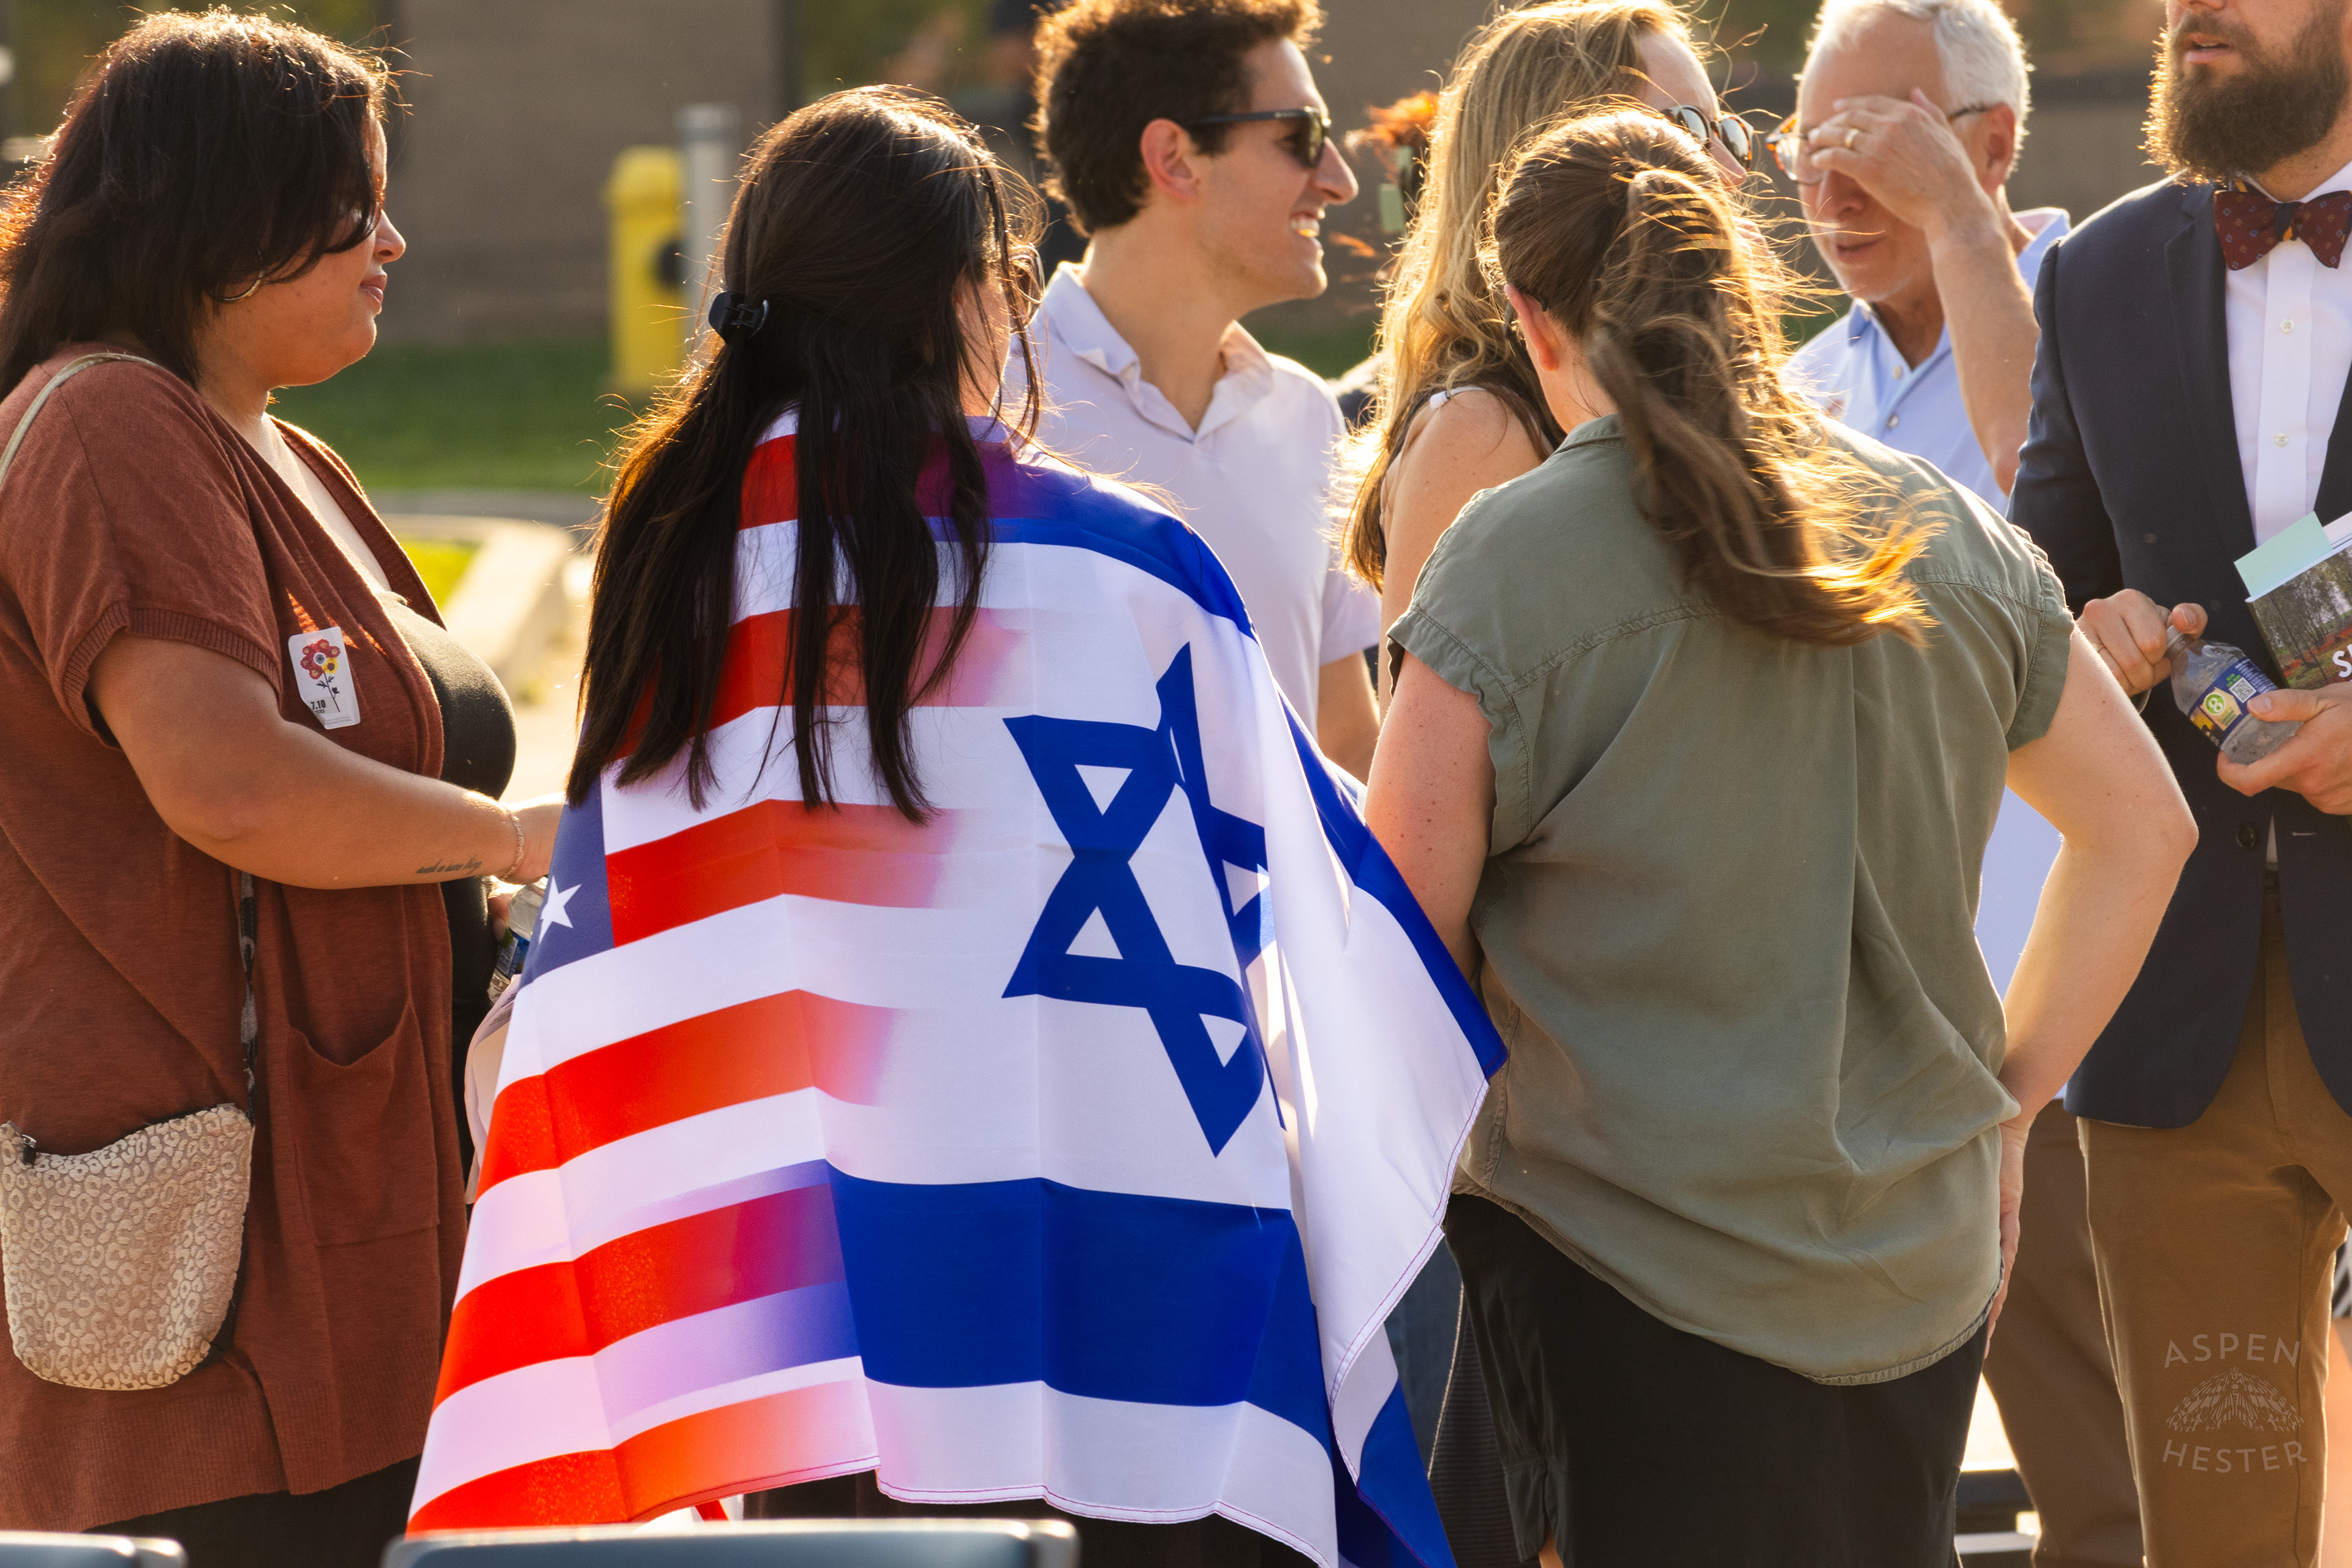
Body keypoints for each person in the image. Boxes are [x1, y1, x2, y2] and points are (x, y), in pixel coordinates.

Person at [412, 86, 1498, 1568]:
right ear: (951, 299)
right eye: (1002, 277)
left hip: (812, 1313)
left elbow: (646, 949)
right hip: (1131, 1266)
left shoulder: (680, 565)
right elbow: (1311, 899)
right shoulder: (1126, 569)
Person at [1365, 107, 2196, 1565]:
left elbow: (1397, 947)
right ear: (1737, 288)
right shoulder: (1942, 524)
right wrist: (2002, 1107)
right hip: (1911, 1260)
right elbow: (2142, 830)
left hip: (1607, 1250)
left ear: (1526, 315)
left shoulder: (1508, 552)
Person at [0, 12, 559, 1566]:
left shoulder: (288, 453)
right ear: (226, 211)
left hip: (356, 1233)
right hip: (219, 1295)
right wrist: (522, 837)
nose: (393, 237)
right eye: (352, 202)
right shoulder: (110, 420)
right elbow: (231, 786)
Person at [1771, 4, 2138, 1563]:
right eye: (1808, 147)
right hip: (1873, 1047)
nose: (1833, 185)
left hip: (2093, 1020)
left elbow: (2054, 534)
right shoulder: (1796, 384)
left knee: (2141, 1488)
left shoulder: (2121, 306)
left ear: (1988, 142)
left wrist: (1966, 239)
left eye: (1880, 140)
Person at [2010, 0, 2352, 1553]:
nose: (2184, 13)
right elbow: (2026, 603)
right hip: (2174, 1024)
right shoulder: (2089, 275)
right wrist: (2083, 631)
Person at [1341, 0, 1751, 706]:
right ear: (1550, 164)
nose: (1725, 171)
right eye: (1680, 130)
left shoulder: (1712, 398)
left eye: (1726, 133)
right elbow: (1429, 786)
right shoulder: (1482, 431)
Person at [1023, 0, 1381, 780]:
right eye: (1302, 138)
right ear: (1175, 158)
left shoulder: (1308, 417)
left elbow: (1347, 746)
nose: (1341, 181)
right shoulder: (990, 403)